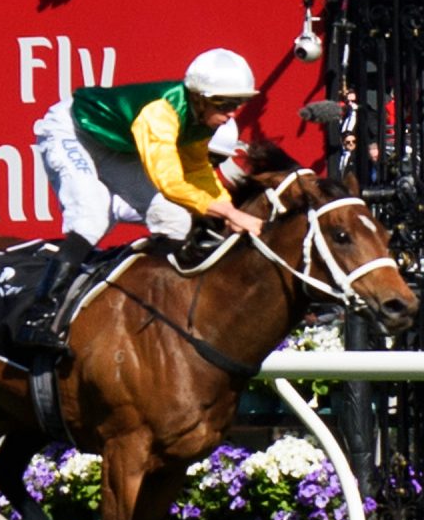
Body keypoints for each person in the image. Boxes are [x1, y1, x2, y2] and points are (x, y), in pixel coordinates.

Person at [21, 49, 270, 354]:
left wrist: (229, 210)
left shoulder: (204, 121)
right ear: (199, 98)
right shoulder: (159, 113)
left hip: (115, 146)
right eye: (226, 104)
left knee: (175, 219)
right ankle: (38, 317)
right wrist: (230, 214)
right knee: (91, 218)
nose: (233, 113)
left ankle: (151, 300)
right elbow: (170, 182)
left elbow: (197, 171)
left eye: (239, 103)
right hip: (73, 131)